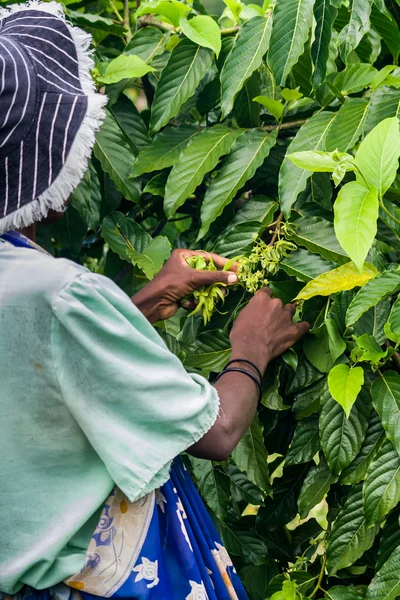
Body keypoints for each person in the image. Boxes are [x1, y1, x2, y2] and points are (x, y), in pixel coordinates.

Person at [0, 3, 309, 600]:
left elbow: (31, 371)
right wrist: (252, 345)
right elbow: (216, 433)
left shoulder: (45, 297)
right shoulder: (61, 294)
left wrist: (135, 306)